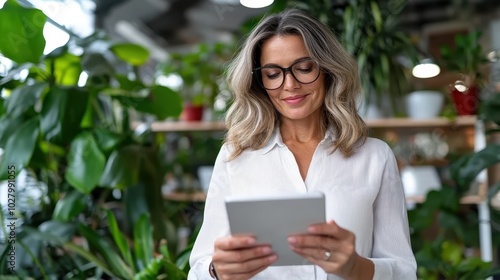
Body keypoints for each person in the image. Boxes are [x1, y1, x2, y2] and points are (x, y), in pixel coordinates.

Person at [188, 8, 417, 280]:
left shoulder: (374, 156)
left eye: (305, 68)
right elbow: (199, 268)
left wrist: (355, 266)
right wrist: (218, 270)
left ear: (328, 70)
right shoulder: (235, 156)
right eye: (273, 74)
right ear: (260, 82)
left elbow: (404, 271)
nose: (290, 84)